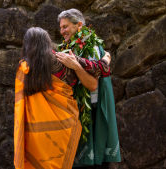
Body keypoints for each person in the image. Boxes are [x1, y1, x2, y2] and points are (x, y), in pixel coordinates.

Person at [14, 27, 112, 169]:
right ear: (47, 42)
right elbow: (98, 68)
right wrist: (106, 58)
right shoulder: (61, 60)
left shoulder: (23, 68)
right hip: (61, 127)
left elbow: (20, 103)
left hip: (34, 130)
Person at [56, 9, 121, 168]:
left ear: (79, 25)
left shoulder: (90, 45)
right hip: (76, 108)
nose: (62, 31)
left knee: (90, 162)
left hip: (90, 109)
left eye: (65, 26)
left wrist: (75, 66)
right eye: (61, 27)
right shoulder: (69, 45)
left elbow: (92, 85)